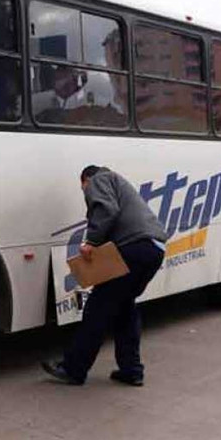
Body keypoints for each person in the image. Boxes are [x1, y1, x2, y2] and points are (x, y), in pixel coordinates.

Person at [41, 165, 168, 387]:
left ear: (85, 180)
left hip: (134, 249)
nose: (86, 193)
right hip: (153, 250)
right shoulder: (118, 183)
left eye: (83, 189)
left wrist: (91, 241)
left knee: (97, 308)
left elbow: (107, 210)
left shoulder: (98, 179)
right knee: (124, 308)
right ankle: (131, 370)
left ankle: (73, 369)